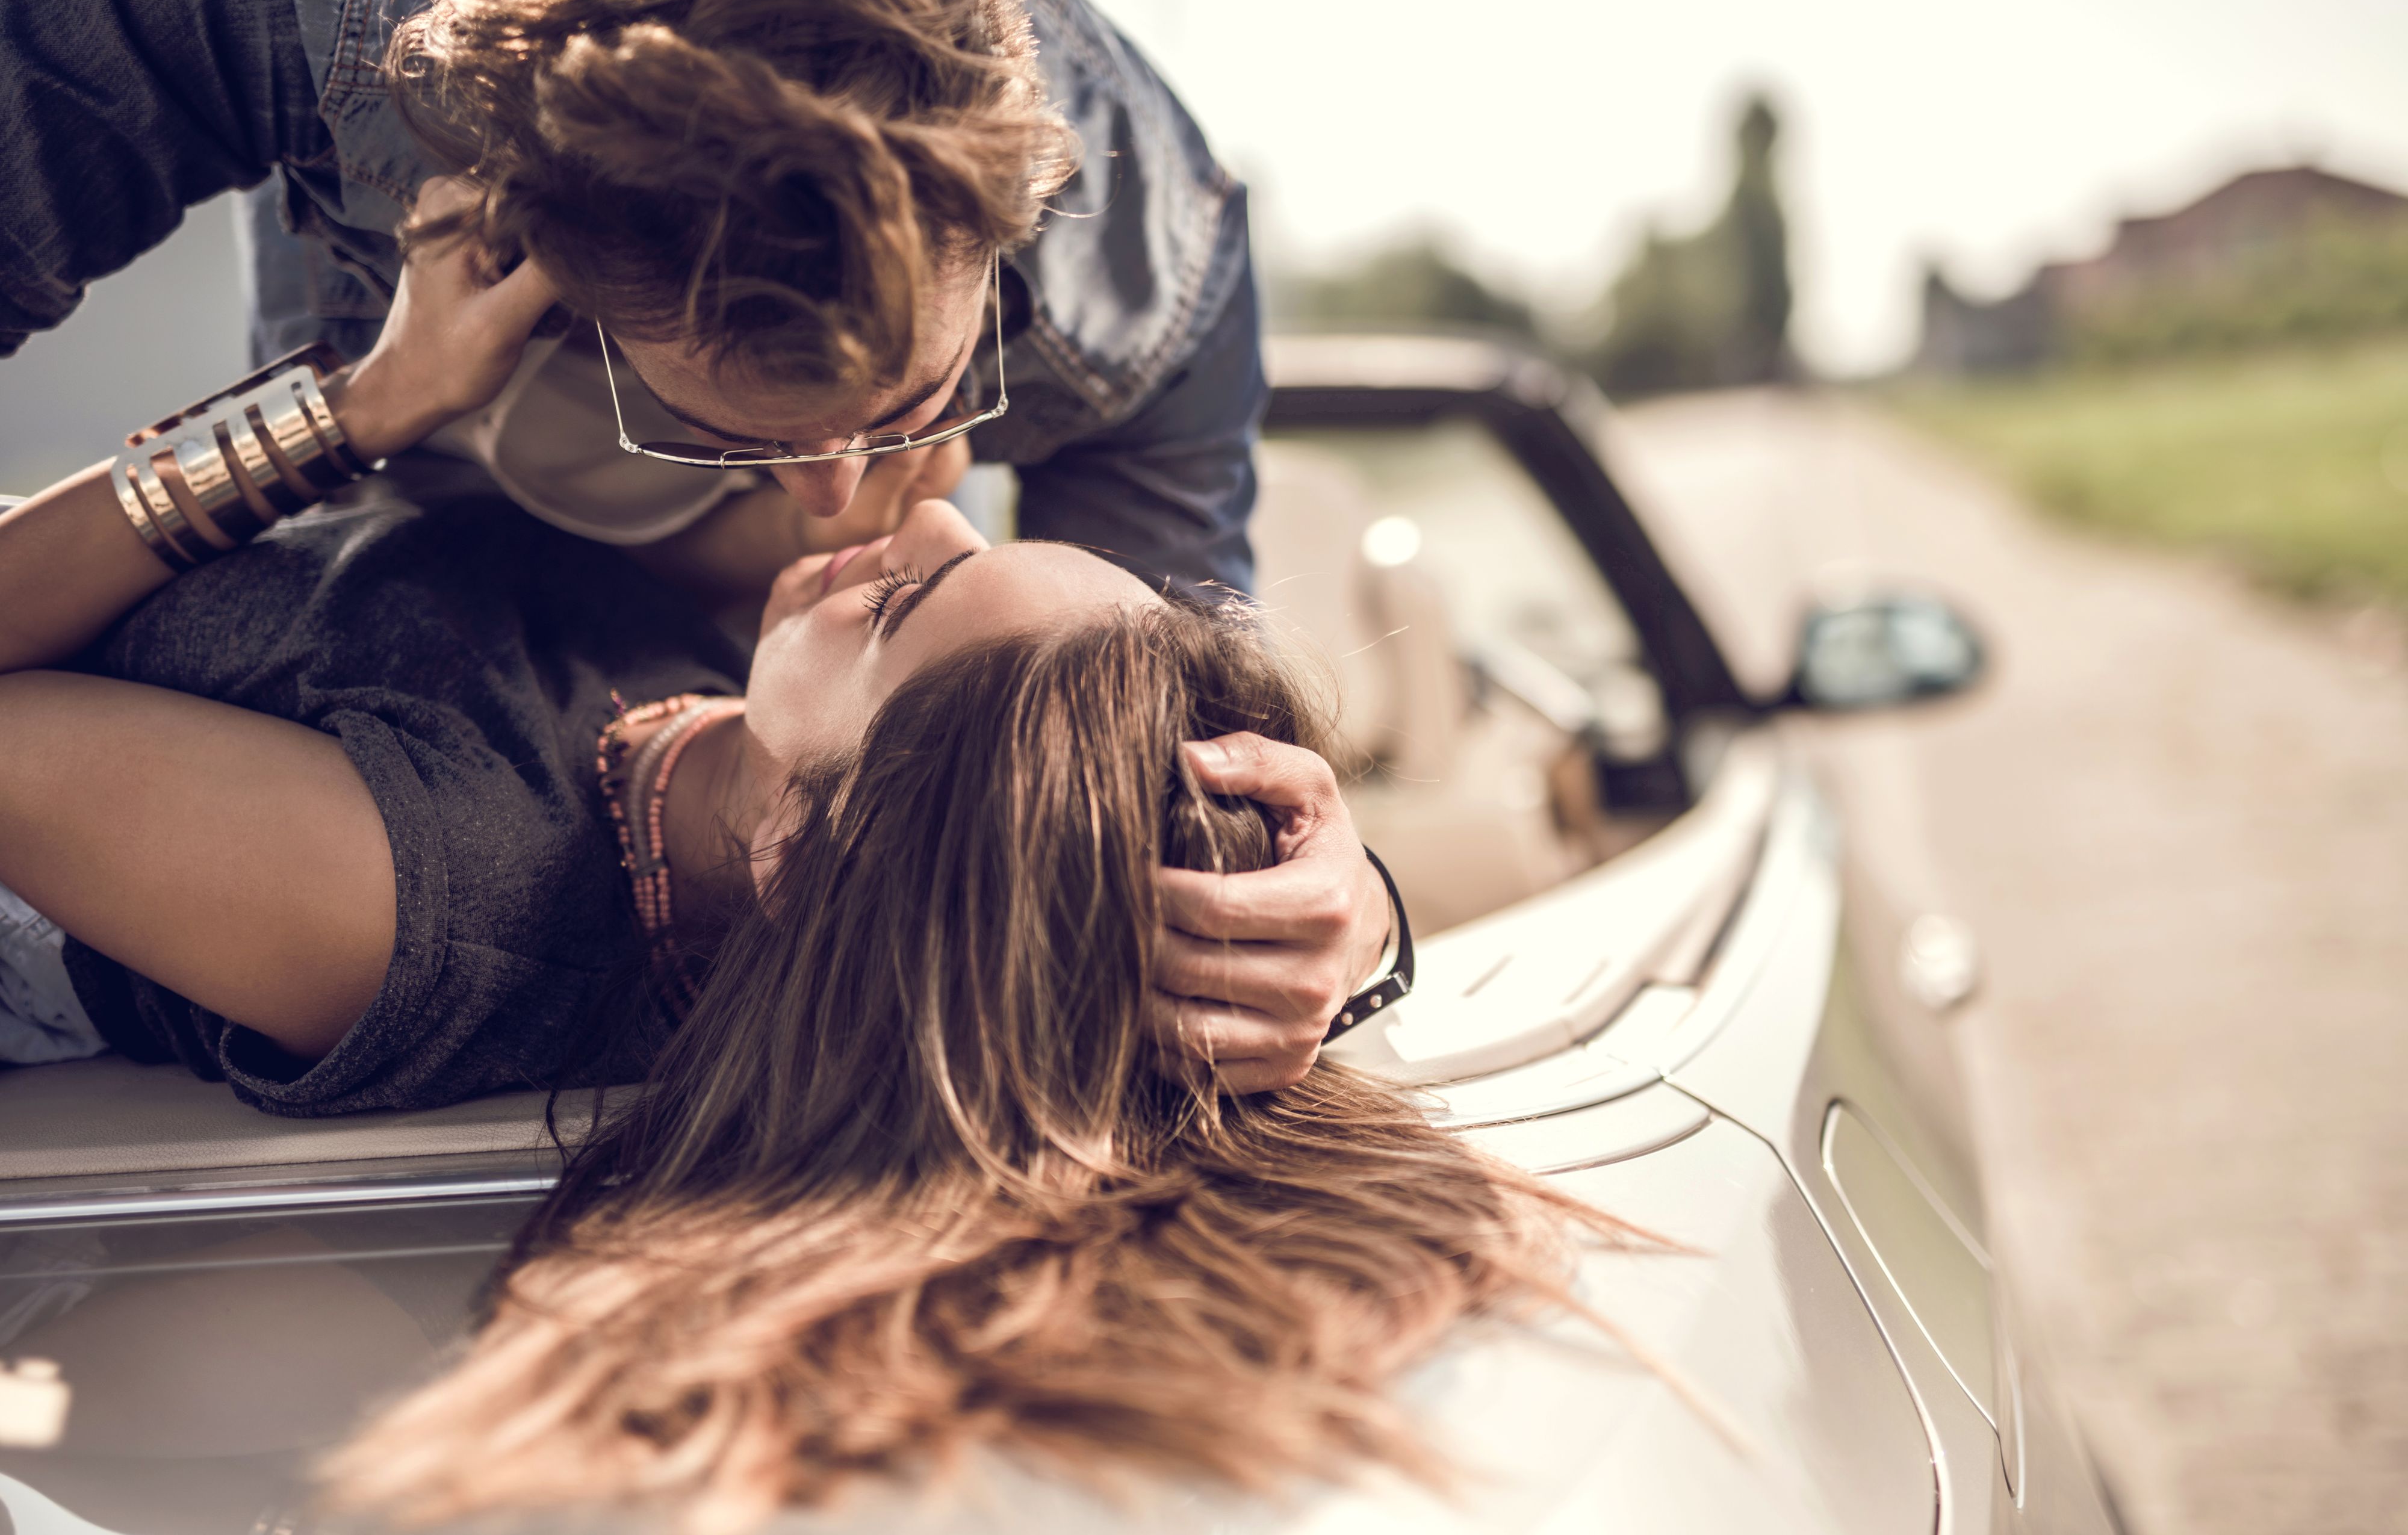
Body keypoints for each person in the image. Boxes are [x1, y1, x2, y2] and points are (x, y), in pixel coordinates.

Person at [0, 0, 1392, 1084]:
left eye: (920, 409)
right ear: (516, 233)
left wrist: (1340, 918)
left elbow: (1152, 811)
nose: (864, 502)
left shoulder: (1146, 309)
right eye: (723, 439)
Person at [315, 571, 1646, 1531]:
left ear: (801, 846)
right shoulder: (1530, 1398)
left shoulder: (418, 900)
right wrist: (1357, 916)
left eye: (904, 602)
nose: (925, 487)